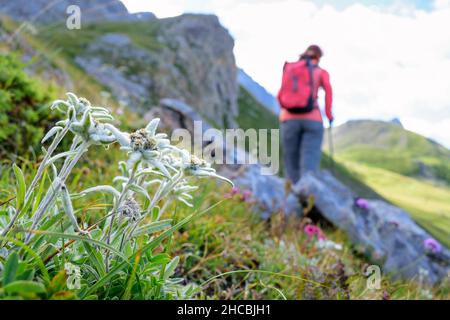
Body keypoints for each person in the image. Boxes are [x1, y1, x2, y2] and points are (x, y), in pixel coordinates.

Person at [278, 44, 333, 184]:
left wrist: (286, 110)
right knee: (309, 163)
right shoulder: (320, 72)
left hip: (288, 118)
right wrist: (329, 115)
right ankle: (307, 197)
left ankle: (290, 197)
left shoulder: (291, 69)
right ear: (318, 57)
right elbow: (328, 91)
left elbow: (280, 94)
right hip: (313, 119)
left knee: (291, 161)